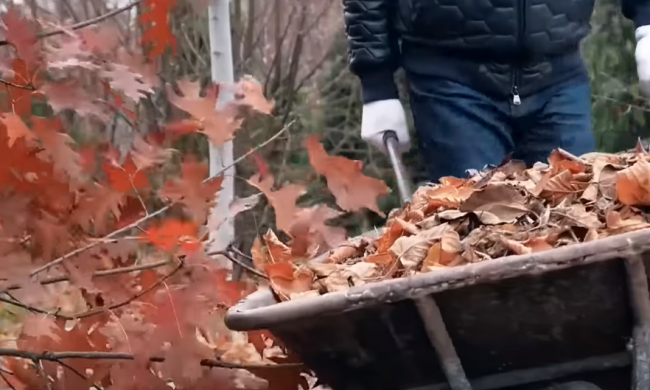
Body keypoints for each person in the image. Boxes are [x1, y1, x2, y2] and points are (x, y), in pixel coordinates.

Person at [343, 0, 650, 182]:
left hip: (559, 73)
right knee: (475, 236)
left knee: (582, 224)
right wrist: (377, 82)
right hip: (451, 82)